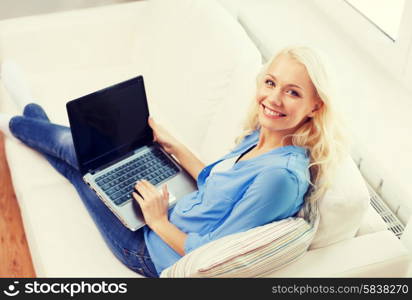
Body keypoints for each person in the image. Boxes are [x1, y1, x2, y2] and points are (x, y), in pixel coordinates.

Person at [0, 46, 347, 277]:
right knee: (86, 165)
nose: (273, 98)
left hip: (150, 248)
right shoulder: (264, 135)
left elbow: (211, 252)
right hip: (169, 209)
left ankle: (17, 118)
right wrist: (173, 145)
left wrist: (157, 218)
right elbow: (215, 184)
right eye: (271, 83)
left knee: (81, 156)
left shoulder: (280, 178)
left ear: (316, 106)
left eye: (293, 92)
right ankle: (29, 110)